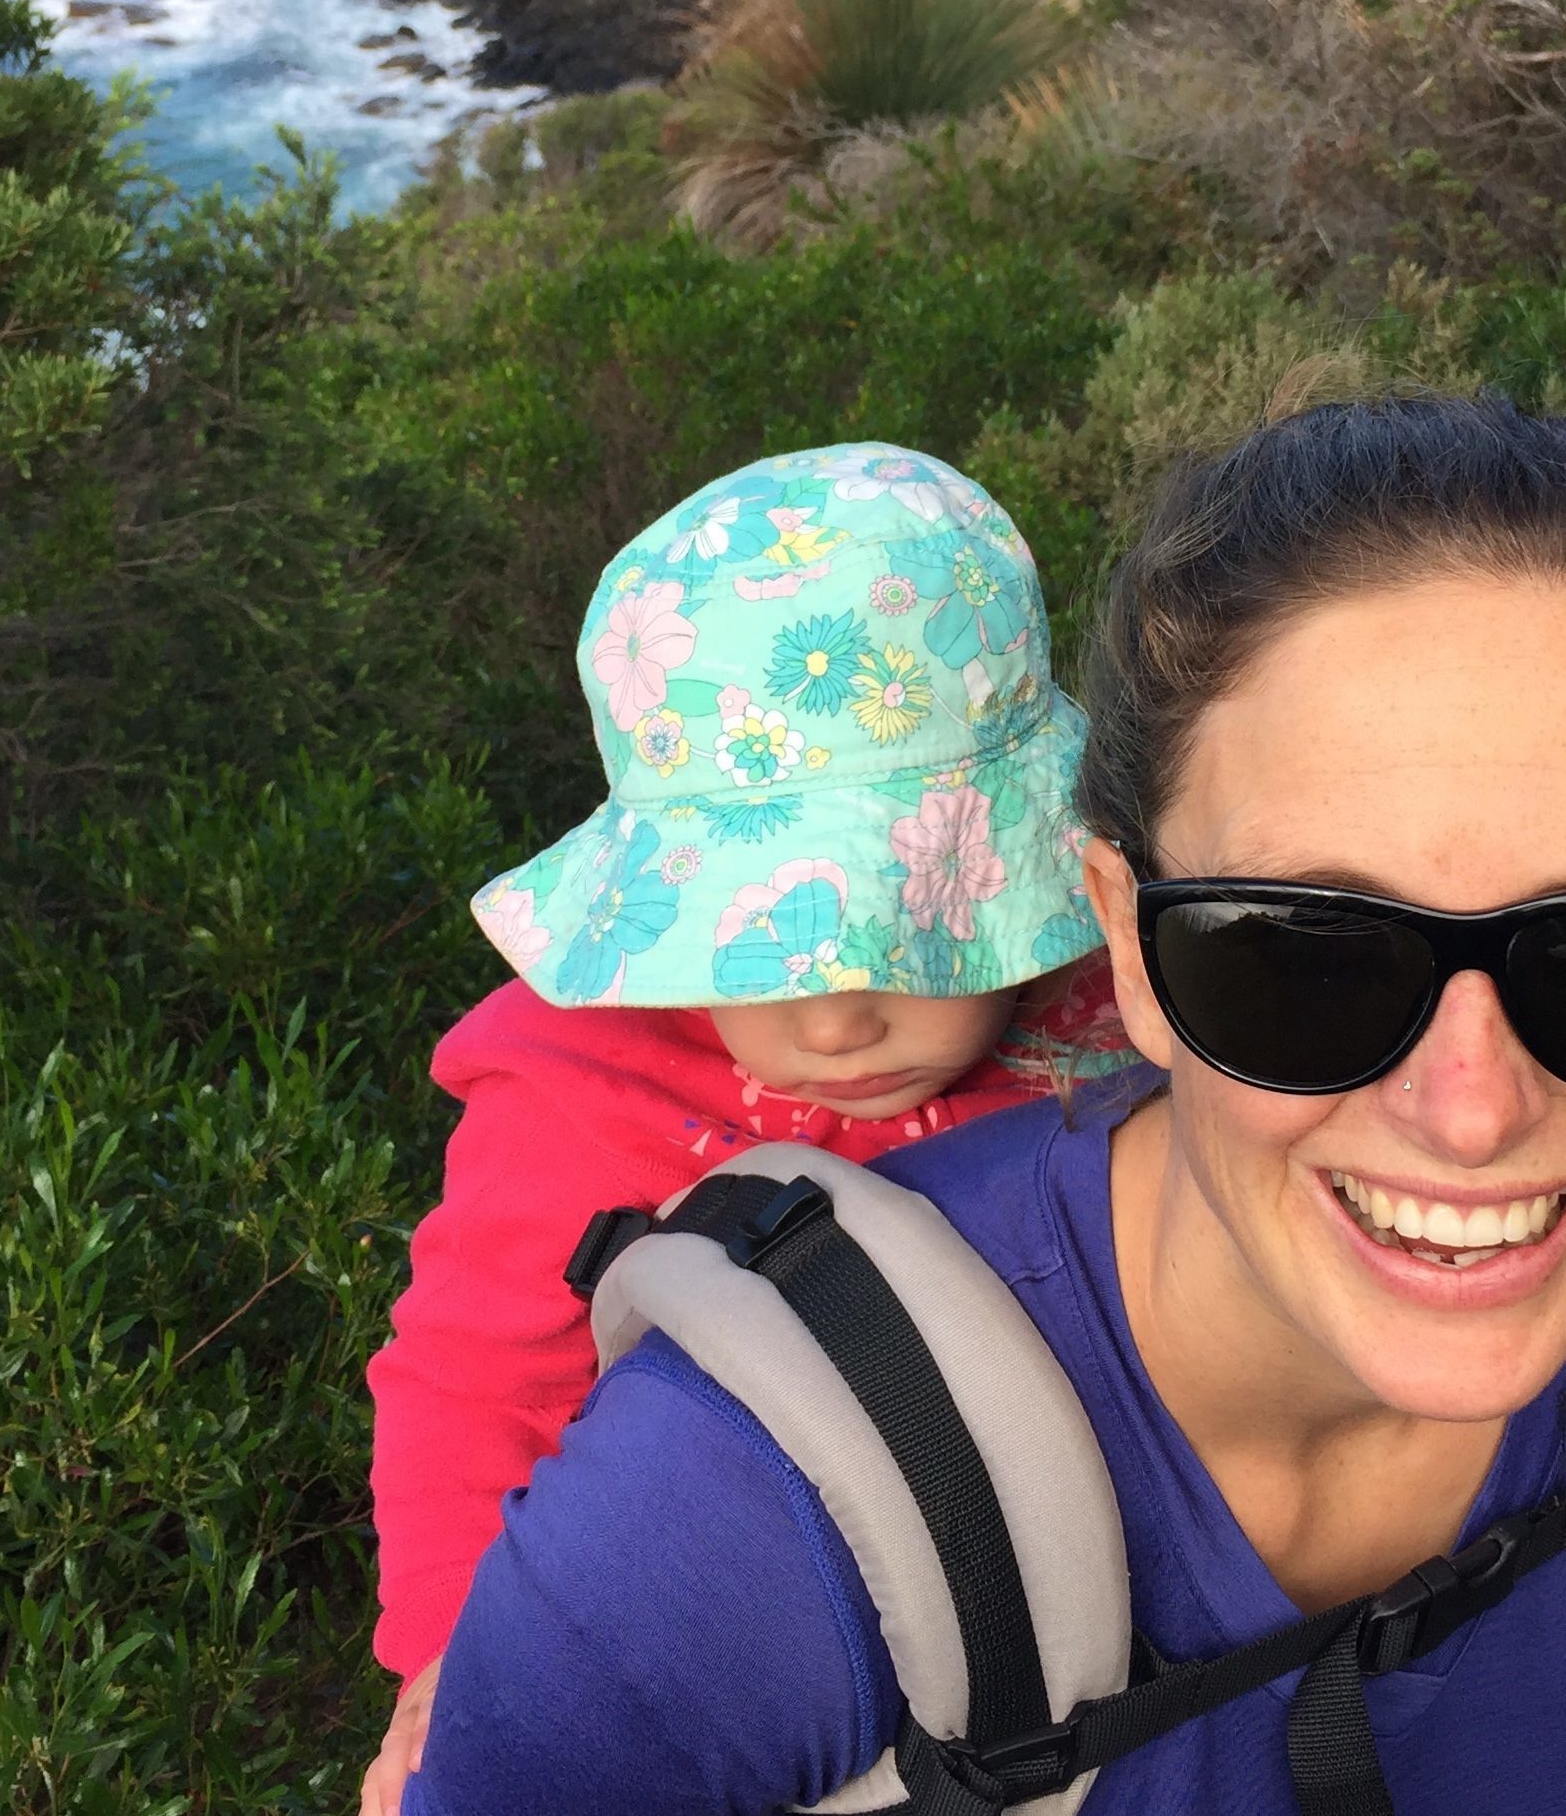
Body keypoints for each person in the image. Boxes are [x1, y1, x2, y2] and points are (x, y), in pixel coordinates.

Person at [389, 397, 1566, 1815]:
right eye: (1303, 960)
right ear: (1128, 944)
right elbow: (478, 1386)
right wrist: (445, 1672)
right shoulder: (701, 1538)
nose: (1472, 1109)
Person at [358, 444, 1131, 1816]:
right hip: (745, 1673)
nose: (832, 1025)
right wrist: (457, 1663)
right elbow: (474, 1385)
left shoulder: (1123, 1020)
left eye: (904, 937)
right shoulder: (577, 1095)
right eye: (760, 943)